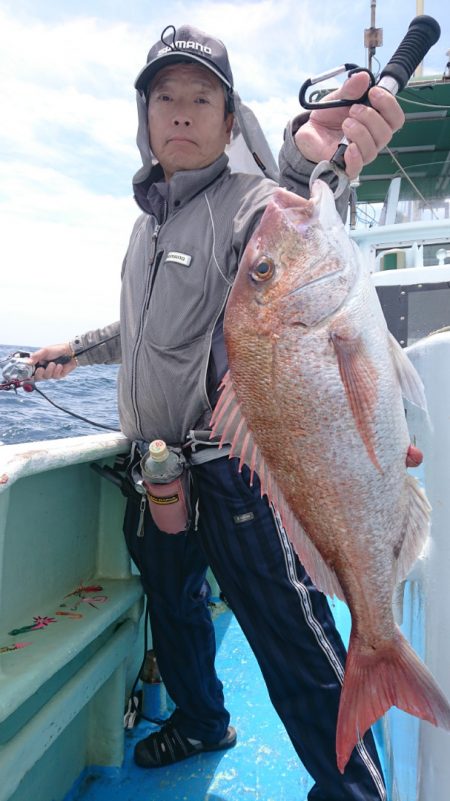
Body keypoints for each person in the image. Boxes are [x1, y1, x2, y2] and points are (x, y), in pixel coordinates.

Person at [31, 24, 406, 801]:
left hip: (236, 474)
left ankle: (355, 792)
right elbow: (138, 329)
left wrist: (309, 155)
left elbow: (294, 208)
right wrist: (74, 349)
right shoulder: (148, 226)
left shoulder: (248, 203)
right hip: (156, 471)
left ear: (231, 122)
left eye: (202, 98)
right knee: (175, 611)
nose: (181, 110)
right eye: (165, 96)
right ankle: (203, 719)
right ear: (144, 117)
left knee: (293, 642)